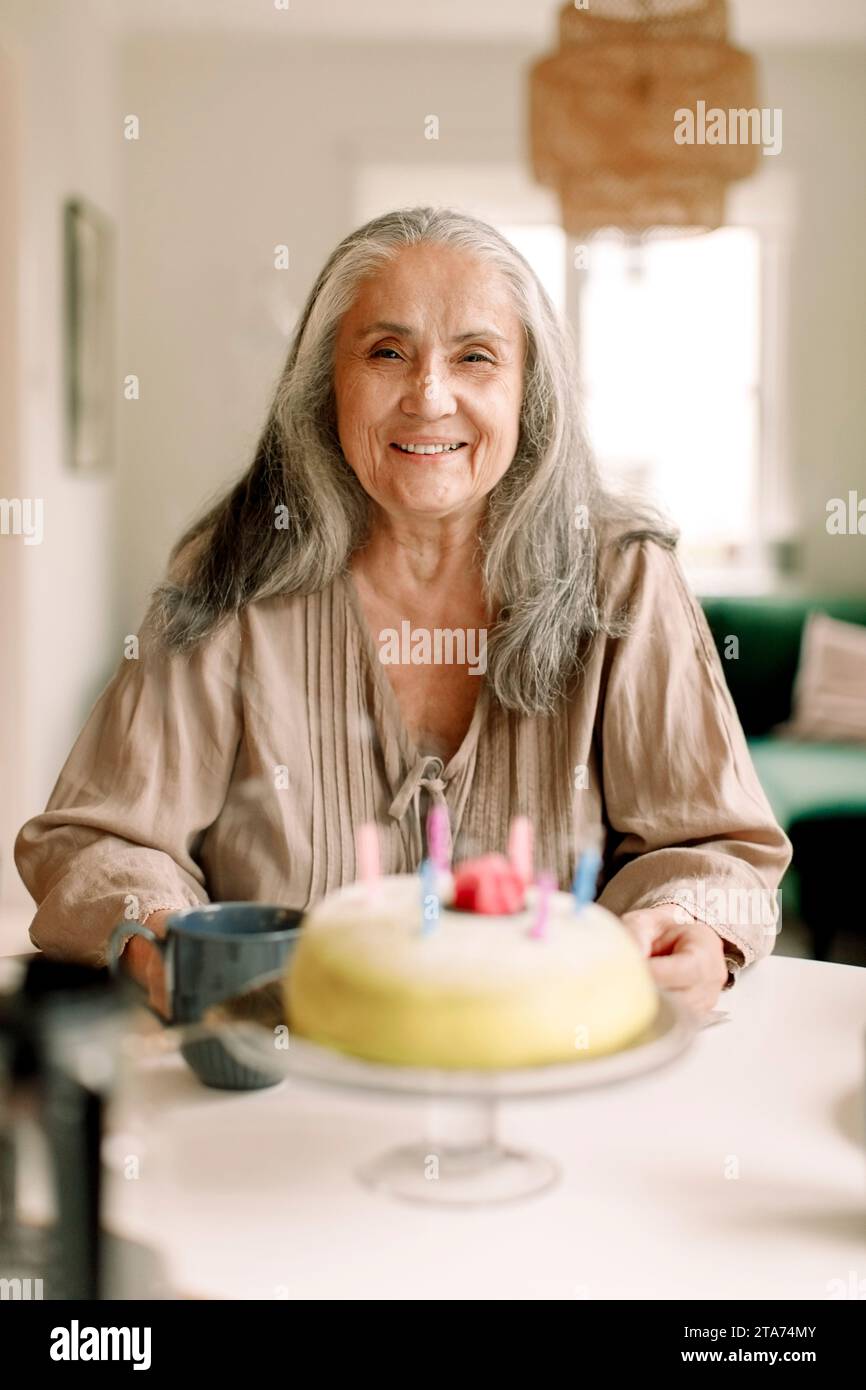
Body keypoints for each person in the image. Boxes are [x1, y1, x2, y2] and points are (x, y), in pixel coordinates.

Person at [14, 206, 792, 1019]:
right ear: (327, 383)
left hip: (550, 1075)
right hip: (289, 1072)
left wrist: (690, 923)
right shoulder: (233, 571)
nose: (429, 395)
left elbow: (716, 848)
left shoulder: (625, 575)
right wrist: (156, 933)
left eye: (475, 356)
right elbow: (98, 841)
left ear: (529, 391)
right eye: (387, 352)